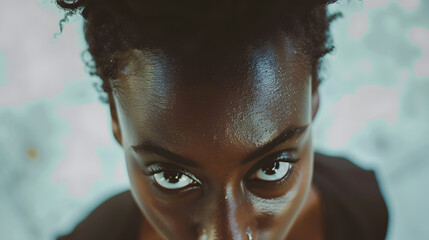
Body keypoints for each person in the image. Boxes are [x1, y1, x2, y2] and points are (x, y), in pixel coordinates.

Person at [55, 0, 389, 239]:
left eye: (272, 169)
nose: (226, 234)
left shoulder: (359, 214)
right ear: (115, 116)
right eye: (172, 177)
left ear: (313, 92)